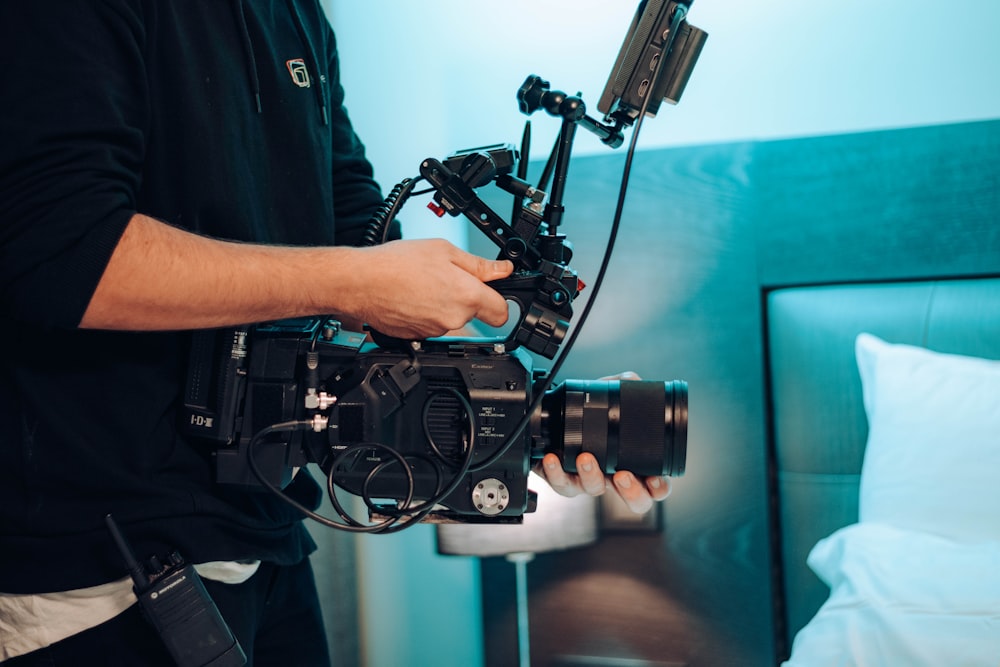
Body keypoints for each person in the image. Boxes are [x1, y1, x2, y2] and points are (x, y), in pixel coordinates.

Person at [0, 2, 670, 665]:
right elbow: (63, 251)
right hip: (97, 569)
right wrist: (350, 280)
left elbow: (359, 235)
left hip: (266, 536)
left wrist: (527, 424)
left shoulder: (300, 14)